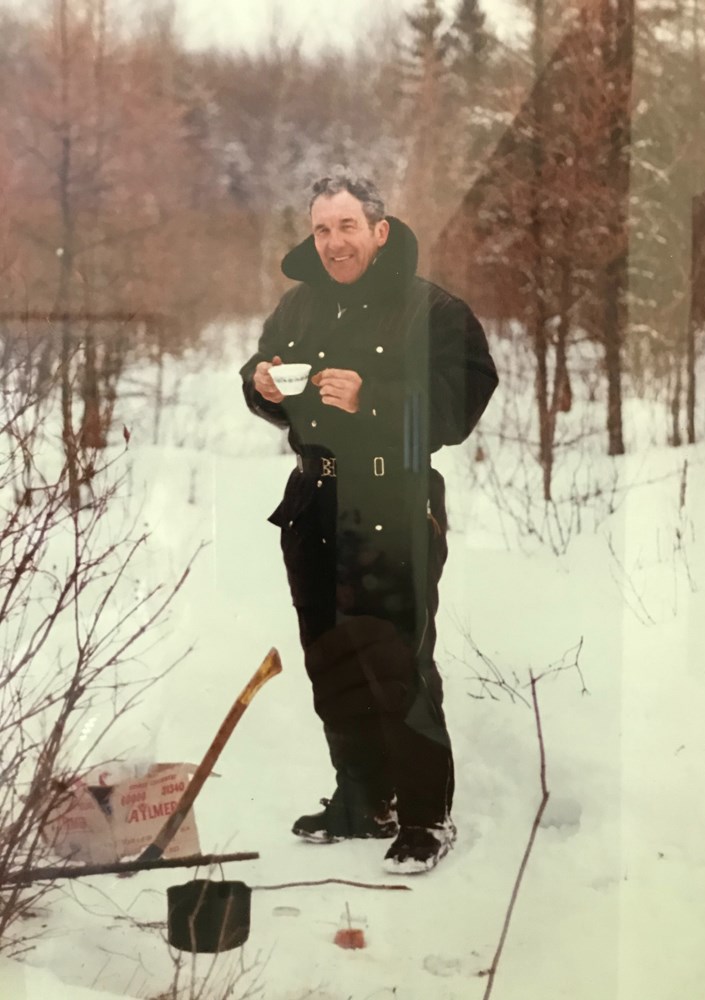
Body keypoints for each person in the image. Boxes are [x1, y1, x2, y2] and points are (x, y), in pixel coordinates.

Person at [240, 171, 498, 874]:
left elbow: (456, 409)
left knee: (395, 664)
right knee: (331, 659)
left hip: (393, 502)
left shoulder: (433, 311)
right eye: (322, 229)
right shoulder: (299, 307)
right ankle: (362, 800)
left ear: (380, 232)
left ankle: (425, 818)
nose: (333, 243)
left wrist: (374, 399)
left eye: (347, 227)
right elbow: (259, 373)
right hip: (314, 502)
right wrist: (259, 386)